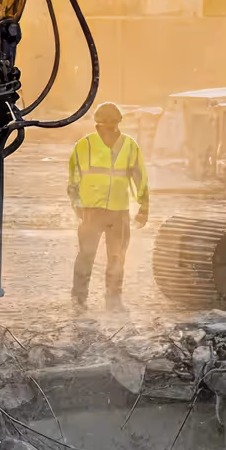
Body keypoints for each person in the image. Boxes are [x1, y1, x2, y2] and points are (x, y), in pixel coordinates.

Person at [68, 102, 149, 311]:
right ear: (98, 123)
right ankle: (79, 299)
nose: (110, 128)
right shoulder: (84, 145)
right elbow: (74, 179)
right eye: (106, 123)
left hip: (118, 211)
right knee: (86, 255)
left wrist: (143, 206)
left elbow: (139, 177)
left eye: (113, 123)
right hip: (91, 211)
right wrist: (77, 205)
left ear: (119, 122)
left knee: (117, 257)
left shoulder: (129, 145)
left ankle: (113, 298)